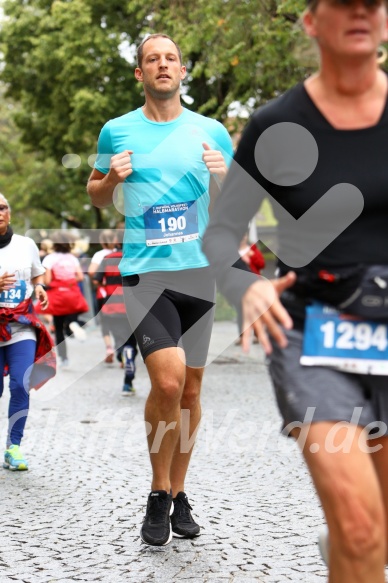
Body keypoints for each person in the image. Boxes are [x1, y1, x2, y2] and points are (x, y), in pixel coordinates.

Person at [203, 1, 388, 581]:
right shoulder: (277, 125)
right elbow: (220, 234)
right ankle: (350, 541)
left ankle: (343, 548)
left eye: (373, 2)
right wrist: (245, 285)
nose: (360, 11)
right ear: (311, 21)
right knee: (362, 524)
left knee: (375, 530)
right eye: (344, 1)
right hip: (311, 331)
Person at [87, 33, 234, 546]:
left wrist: (222, 179)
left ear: (181, 71)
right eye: (153, 59)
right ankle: (157, 492)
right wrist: (111, 180)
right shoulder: (117, 130)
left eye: (171, 58)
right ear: (141, 74)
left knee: (191, 390)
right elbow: (97, 193)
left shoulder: (211, 132)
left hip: (198, 273)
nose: (163, 65)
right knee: (168, 383)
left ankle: (180, 491)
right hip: (145, 274)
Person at [0, 195, 56, 470]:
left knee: (21, 384)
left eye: (2, 207)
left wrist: (39, 286)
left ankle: (14, 447)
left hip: (22, 325)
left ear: (9, 213)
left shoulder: (26, 245)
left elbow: (37, 273)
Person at [93, 231, 138, 395]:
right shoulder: (136, 258)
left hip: (112, 308)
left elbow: (96, 279)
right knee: (132, 343)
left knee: (120, 339)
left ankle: (121, 352)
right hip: (132, 308)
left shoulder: (108, 259)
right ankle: (128, 383)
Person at [40, 231, 88, 367]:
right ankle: (73, 325)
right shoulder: (72, 258)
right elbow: (80, 276)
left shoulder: (49, 259)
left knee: (58, 327)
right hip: (72, 293)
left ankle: (64, 357)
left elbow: (47, 280)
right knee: (71, 318)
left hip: (58, 295)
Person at [88, 229, 116, 363]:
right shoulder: (120, 254)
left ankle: (109, 347)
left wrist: (101, 279)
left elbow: (91, 271)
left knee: (105, 320)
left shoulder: (99, 255)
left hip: (104, 292)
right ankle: (123, 349)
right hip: (122, 292)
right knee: (122, 319)